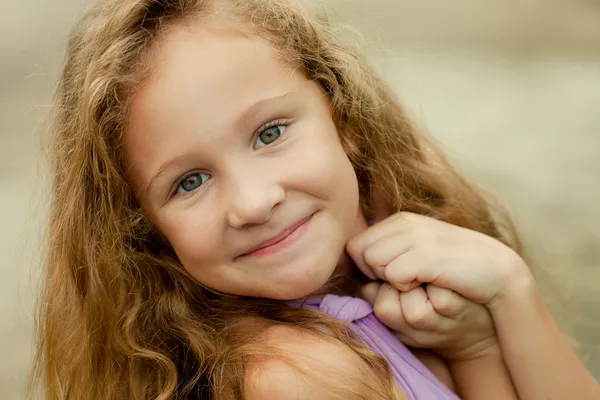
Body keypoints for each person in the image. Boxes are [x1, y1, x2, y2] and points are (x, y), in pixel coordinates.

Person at [31, 0, 599, 399]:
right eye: (189, 181)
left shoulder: (408, 284)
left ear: (341, 115)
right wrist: (501, 303)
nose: (252, 202)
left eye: (270, 133)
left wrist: (494, 319)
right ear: (145, 229)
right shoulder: (296, 377)